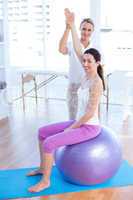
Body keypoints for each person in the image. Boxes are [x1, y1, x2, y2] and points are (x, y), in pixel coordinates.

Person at [27, 9, 105, 193]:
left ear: (98, 63)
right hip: (79, 123)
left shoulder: (97, 82)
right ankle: (41, 167)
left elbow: (89, 113)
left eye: (89, 61)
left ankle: (46, 180)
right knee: (42, 132)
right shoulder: (86, 75)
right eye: (84, 61)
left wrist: (72, 127)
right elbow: (78, 49)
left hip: (90, 127)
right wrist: (70, 25)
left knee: (49, 143)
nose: (85, 64)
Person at [59, 8, 94, 120]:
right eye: (84, 29)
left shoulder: (95, 48)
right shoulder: (71, 44)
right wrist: (68, 28)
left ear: (92, 31)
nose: (86, 32)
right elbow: (61, 49)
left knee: (86, 119)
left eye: (89, 30)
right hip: (74, 87)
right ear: (79, 29)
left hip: (88, 88)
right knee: (73, 118)